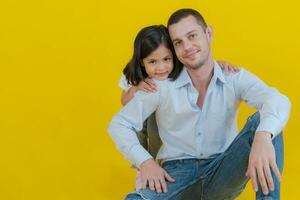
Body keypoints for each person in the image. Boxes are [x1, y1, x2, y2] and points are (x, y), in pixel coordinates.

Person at [108, 8, 291, 200]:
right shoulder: (160, 86)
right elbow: (119, 124)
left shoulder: (233, 77)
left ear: (208, 34)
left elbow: (277, 100)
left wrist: (263, 136)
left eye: (192, 36)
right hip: (176, 174)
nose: (187, 47)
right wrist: (145, 162)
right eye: (178, 42)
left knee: (268, 122)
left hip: (223, 170)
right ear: (174, 49)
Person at [118, 25, 239, 160]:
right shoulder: (134, 74)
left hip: (170, 114)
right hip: (146, 116)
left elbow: (201, 67)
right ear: (141, 62)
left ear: (174, 55)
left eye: (166, 59)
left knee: (160, 129)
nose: (161, 68)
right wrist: (136, 88)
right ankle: (145, 162)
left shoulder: (181, 66)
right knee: (135, 119)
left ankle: (163, 160)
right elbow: (124, 102)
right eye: (152, 62)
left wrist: (219, 65)